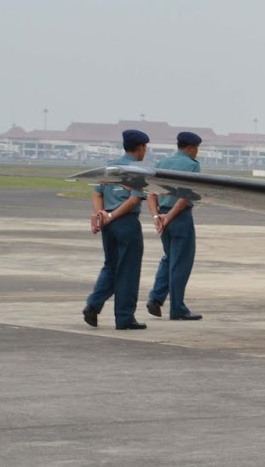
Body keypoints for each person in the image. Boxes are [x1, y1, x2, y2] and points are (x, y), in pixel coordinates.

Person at [83, 129, 150, 330]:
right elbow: (134, 199)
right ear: (140, 148)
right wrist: (111, 215)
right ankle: (124, 317)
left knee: (111, 266)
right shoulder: (137, 170)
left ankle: (93, 305)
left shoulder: (109, 167)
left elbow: (96, 194)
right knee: (128, 270)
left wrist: (100, 216)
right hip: (125, 222)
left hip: (108, 224)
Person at [146, 131, 204, 321]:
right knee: (181, 263)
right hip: (178, 218)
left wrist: (157, 216)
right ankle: (177, 308)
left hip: (162, 214)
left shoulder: (162, 163)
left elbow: (150, 193)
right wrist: (170, 216)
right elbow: (185, 196)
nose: (197, 153)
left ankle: (155, 298)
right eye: (196, 149)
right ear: (190, 148)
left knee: (169, 259)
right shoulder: (192, 166)